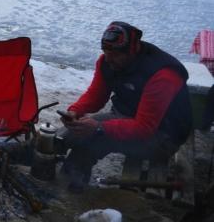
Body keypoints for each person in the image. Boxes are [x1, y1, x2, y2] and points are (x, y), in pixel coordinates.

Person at [59, 21, 192, 191]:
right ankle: (47, 150)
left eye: (114, 54)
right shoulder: (107, 61)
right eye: (105, 52)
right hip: (128, 118)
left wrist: (100, 128)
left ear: (131, 51)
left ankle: (71, 181)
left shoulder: (162, 75)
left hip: (163, 138)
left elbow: (144, 128)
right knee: (83, 127)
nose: (108, 58)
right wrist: (75, 110)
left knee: (96, 135)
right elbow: (96, 96)